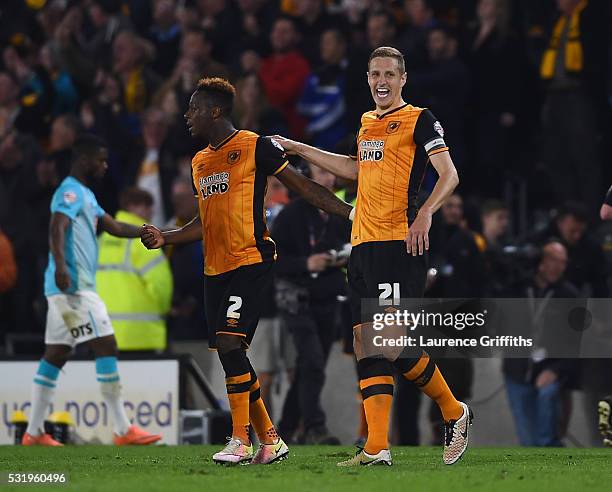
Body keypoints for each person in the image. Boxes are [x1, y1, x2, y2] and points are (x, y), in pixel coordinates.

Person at [274, 46, 471, 466]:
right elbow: (353, 169)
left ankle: (454, 411)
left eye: (389, 74)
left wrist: (426, 214)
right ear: (367, 79)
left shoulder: (420, 118)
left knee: (390, 342)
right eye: (374, 73)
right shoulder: (367, 124)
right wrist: (298, 148)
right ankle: (377, 446)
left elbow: (449, 173)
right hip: (362, 246)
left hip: (397, 243)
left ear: (402, 79)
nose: (381, 81)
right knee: (367, 346)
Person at [140, 77, 352, 465]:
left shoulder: (255, 146)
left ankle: (241, 440)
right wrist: (166, 238)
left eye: (194, 108)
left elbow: (303, 187)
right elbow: (204, 223)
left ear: (215, 110)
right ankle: (272, 439)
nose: (187, 116)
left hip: (251, 259)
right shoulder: (199, 161)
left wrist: (351, 213)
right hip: (214, 268)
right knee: (231, 353)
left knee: (229, 344)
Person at [22, 135, 161, 447]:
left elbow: (110, 224)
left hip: (67, 289)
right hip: (73, 287)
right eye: (100, 159)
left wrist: (146, 231)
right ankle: (123, 429)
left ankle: (33, 432)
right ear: (84, 160)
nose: (105, 165)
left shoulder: (84, 194)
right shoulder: (69, 192)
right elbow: (57, 226)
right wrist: (60, 266)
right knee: (106, 345)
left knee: (56, 354)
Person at [272, 163, 350, 445]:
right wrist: (306, 263)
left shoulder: (340, 213)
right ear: (307, 180)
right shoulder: (290, 215)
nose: (329, 177)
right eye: (321, 173)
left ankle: (285, 429)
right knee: (313, 361)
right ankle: (316, 427)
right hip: (296, 298)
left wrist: (340, 257)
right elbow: (272, 259)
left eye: (330, 172)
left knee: (310, 365)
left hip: (328, 297)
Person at [502, 241, 578, 447]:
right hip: (517, 371)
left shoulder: (568, 296)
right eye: (552, 260)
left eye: (562, 262)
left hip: (550, 369)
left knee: (546, 438)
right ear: (541, 261)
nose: (557, 266)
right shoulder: (518, 288)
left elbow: (575, 344)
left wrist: (555, 370)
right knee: (528, 441)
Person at [97, 187, 172, 353]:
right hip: (140, 336)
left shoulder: (101, 241)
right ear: (132, 207)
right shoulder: (143, 240)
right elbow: (161, 286)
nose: (151, 212)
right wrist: (163, 311)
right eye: (147, 206)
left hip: (103, 335)